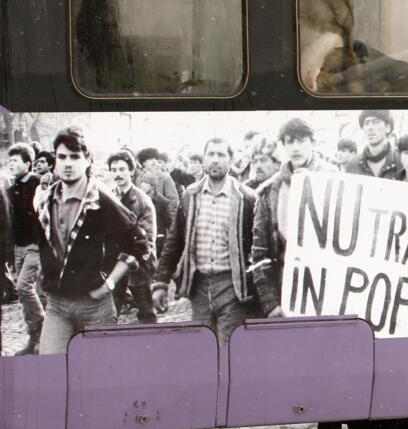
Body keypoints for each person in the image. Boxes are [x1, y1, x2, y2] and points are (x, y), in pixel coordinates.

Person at [34, 127, 152, 355]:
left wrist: (110, 283)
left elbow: (138, 244)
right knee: (50, 368)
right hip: (57, 305)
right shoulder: (45, 200)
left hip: (94, 305)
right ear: (55, 161)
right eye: (62, 157)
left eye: (75, 157)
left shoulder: (103, 200)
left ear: (87, 160)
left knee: (98, 375)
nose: (68, 163)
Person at [152, 138, 258, 344]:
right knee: (203, 346)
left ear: (231, 160)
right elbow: (174, 240)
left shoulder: (246, 198)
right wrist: (161, 282)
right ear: (204, 159)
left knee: (229, 346)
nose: (215, 160)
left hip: (232, 287)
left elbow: (256, 247)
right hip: (199, 287)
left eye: (221, 155)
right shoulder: (191, 196)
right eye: (211, 154)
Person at [251, 118, 338, 318]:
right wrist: (270, 302)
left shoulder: (334, 178)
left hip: (327, 288)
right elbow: (259, 250)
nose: (295, 147)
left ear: (313, 143)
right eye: (289, 142)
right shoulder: (271, 189)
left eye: (301, 141)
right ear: (283, 146)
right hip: (286, 287)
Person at [107, 151, 158, 324]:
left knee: (146, 313)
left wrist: (134, 257)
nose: (118, 174)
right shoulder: (109, 197)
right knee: (109, 312)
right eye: (113, 170)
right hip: (115, 263)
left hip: (139, 265)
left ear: (131, 171)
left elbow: (147, 238)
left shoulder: (142, 200)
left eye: (122, 169)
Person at [7, 144, 47, 354]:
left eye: (15, 160)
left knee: (24, 287)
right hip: (18, 247)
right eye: (9, 160)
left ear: (27, 162)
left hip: (35, 245)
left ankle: (43, 332)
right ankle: (34, 339)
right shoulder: (11, 187)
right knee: (25, 294)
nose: (11, 163)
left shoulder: (37, 183)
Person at [344, 110, 403, 180]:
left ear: (388, 128)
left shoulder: (402, 162)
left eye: (376, 122)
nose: (370, 127)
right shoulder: (352, 165)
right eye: (366, 123)